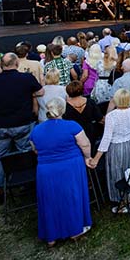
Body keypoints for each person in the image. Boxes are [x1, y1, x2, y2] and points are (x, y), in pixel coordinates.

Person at [29, 97, 93, 246]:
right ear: (62, 109)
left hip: (47, 169)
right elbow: (85, 144)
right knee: (71, 196)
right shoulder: (72, 126)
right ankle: (75, 230)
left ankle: (51, 236)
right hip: (70, 166)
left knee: (50, 200)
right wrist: (88, 158)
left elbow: (36, 150)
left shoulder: (37, 130)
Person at [0, 53, 43, 205]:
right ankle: (27, 183)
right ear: (16, 64)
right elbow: (40, 91)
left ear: (1, 65)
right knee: (25, 152)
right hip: (22, 123)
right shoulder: (26, 78)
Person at [88, 89, 130, 208]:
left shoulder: (111, 116)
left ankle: (121, 201)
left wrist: (96, 159)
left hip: (117, 148)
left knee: (118, 173)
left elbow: (106, 139)